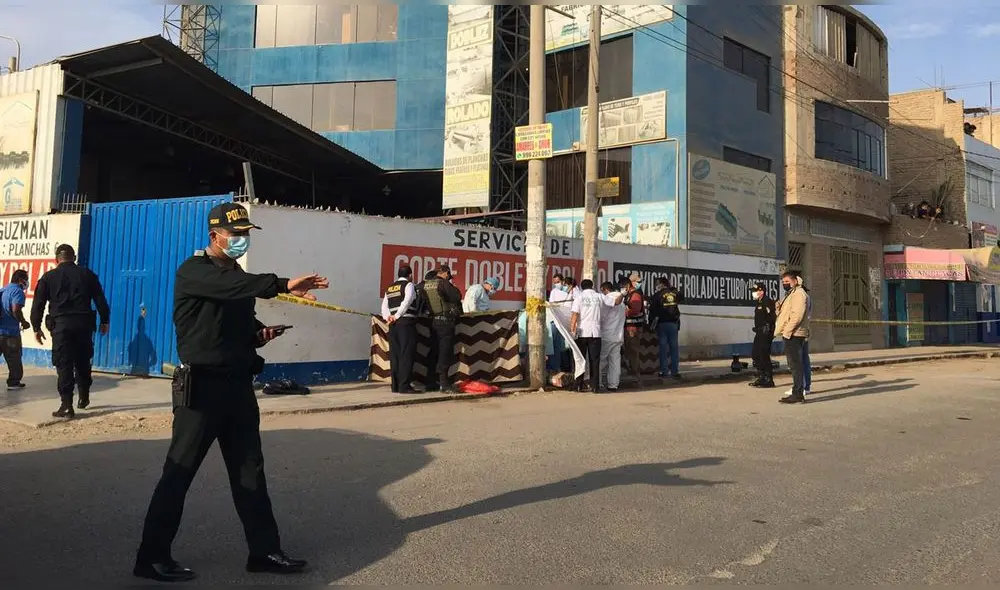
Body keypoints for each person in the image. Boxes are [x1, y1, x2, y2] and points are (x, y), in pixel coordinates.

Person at [134, 203, 327, 582]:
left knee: (250, 472)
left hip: (237, 388)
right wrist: (284, 284)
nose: (241, 240)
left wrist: (259, 334)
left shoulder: (235, 276)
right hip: (202, 390)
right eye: (235, 235)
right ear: (215, 236)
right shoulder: (195, 272)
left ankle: (265, 551)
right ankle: (151, 557)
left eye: (245, 234)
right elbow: (234, 288)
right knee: (179, 474)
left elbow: (239, 321)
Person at [30, 244, 110, 418]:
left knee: (64, 363)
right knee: (83, 360)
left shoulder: (48, 277)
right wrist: (105, 320)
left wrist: (36, 327)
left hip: (61, 327)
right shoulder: (87, 275)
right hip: (83, 324)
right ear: (74, 258)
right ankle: (83, 397)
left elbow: (38, 304)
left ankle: (66, 405)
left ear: (56, 259)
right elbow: (100, 299)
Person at [422, 265, 463, 393]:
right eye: (448, 276)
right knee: (444, 353)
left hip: (433, 322)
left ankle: (430, 382)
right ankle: (444, 384)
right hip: (445, 323)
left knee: (434, 351)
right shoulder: (444, 284)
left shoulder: (427, 285)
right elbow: (456, 296)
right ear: (445, 273)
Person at [381, 265, 420, 394]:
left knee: (395, 355)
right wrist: (397, 316)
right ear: (410, 275)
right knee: (406, 354)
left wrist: (388, 318)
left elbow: (384, 307)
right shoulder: (409, 285)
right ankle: (404, 386)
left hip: (392, 325)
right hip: (406, 323)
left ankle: (395, 386)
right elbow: (407, 301)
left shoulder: (390, 288)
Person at [774, 270, 810, 404]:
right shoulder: (791, 294)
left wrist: (787, 331)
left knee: (796, 365)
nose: (785, 284)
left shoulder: (799, 294)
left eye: (787, 282)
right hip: (791, 333)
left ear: (795, 280)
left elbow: (797, 315)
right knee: (794, 364)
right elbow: (786, 313)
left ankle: (798, 393)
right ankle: (797, 392)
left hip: (794, 333)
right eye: (783, 282)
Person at [569, 279, 603, 392]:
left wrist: (571, 329)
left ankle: (579, 384)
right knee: (595, 360)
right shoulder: (599, 296)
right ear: (592, 286)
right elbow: (612, 302)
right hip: (596, 333)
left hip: (582, 332)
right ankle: (595, 386)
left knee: (580, 359)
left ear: (582, 287)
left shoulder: (579, 297)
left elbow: (574, 314)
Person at [649, 277, 684, 380]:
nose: (656, 286)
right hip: (673, 324)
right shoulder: (674, 293)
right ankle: (675, 371)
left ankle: (664, 371)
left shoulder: (657, 295)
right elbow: (681, 296)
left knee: (663, 348)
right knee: (674, 348)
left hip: (662, 324)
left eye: (657, 283)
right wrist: (673, 289)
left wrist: (651, 324)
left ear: (661, 284)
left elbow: (652, 311)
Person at [0, 269, 30, 390]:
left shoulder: (4, 289)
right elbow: (16, 309)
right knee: (14, 358)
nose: (27, 283)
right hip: (10, 333)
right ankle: (13, 382)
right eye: (26, 280)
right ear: (20, 280)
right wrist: (23, 322)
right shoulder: (17, 291)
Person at [598, 281, 626, 392]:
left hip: (606, 335)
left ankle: (598, 382)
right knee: (615, 361)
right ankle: (613, 385)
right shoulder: (622, 301)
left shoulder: (607, 299)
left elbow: (602, 318)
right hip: (618, 336)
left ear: (605, 289)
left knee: (601, 360)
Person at [748, 282, 776, 388]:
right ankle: (761, 376)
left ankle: (768, 379)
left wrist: (769, 330)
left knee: (764, 355)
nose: (753, 293)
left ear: (761, 291)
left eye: (755, 291)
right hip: (759, 332)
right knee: (755, 354)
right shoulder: (759, 302)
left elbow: (772, 318)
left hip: (766, 333)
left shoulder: (767, 301)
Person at [622, 273, 646, 385]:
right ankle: (633, 374)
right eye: (638, 281)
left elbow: (634, 310)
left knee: (633, 352)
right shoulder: (630, 294)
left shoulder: (635, 295)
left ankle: (636, 377)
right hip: (631, 327)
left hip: (633, 328)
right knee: (630, 352)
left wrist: (622, 312)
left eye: (639, 281)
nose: (639, 283)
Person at [548, 274, 573, 372]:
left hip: (566, 322)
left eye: (558, 282)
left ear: (563, 282)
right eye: (554, 283)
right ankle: (555, 368)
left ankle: (566, 368)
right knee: (555, 346)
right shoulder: (554, 292)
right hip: (555, 321)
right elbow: (551, 305)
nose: (556, 284)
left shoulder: (570, 292)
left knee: (566, 347)